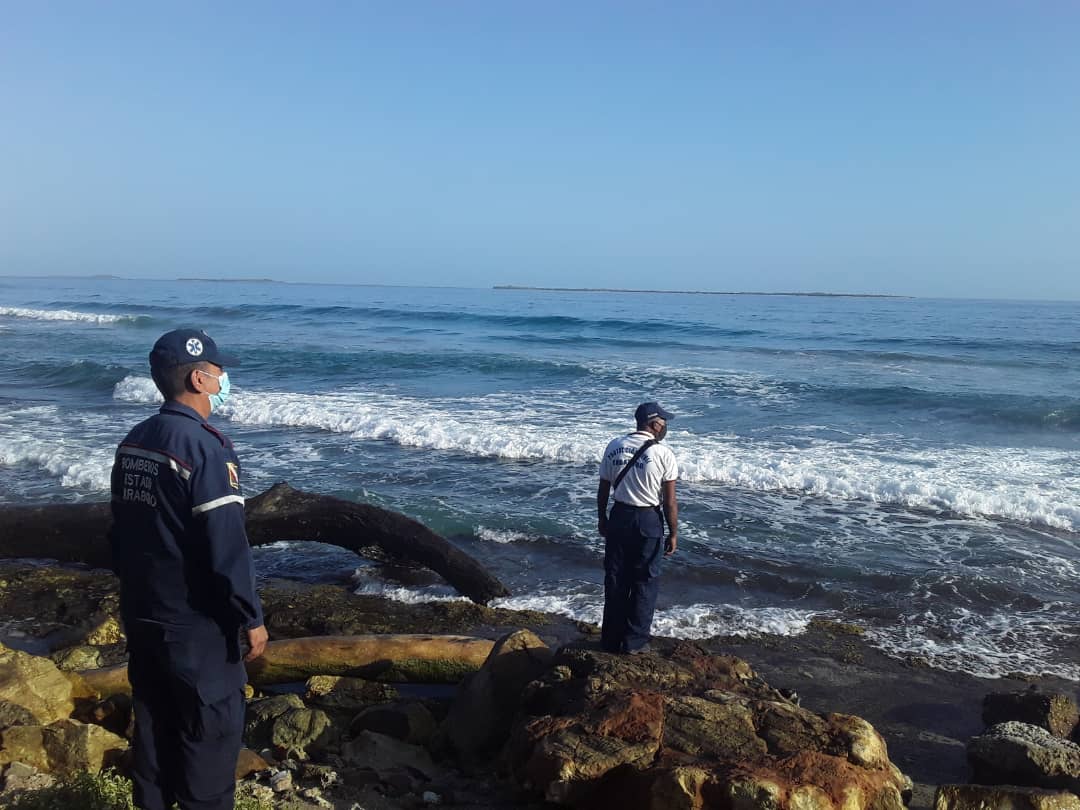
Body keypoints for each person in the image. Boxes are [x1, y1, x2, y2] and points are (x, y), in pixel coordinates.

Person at [109, 328, 268, 810]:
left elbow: (121, 533)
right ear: (200, 378)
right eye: (220, 373)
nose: (224, 380)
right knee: (208, 751)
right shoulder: (205, 447)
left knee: (154, 743)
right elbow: (225, 547)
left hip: (144, 614)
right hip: (196, 628)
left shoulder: (135, 440)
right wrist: (250, 616)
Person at [596, 401, 679, 654]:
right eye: (663, 422)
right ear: (654, 424)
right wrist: (674, 532)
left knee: (616, 579)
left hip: (619, 515)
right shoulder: (663, 454)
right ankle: (634, 642)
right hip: (647, 520)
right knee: (645, 581)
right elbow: (669, 501)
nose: (665, 426)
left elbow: (603, 489)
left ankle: (610, 639)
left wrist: (602, 518)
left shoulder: (614, 446)